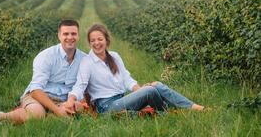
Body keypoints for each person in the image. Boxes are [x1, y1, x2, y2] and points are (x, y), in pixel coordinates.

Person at [63, 24, 204, 114]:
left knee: (156, 85)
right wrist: (71, 99)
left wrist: (139, 89)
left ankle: (192, 107)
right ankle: (168, 111)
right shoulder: (87, 62)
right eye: (92, 40)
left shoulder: (115, 56)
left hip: (122, 100)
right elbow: (79, 86)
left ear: (106, 40)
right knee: (150, 91)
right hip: (107, 107)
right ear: (89, 43)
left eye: (99, 39)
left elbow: (126, 79)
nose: (96, 43)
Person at [0, 19, 86, 126]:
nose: (70, 37)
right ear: (59, 35)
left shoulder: (84, 59)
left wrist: (72, 103)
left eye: (73, 34)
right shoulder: (46, 56)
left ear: (78, 36)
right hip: (40, 95)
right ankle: (0, 117)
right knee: (36, 114)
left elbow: (81, 86)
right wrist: (57, 110)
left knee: (73, 111)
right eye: (66, 34)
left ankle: (45, 116)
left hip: (64, 99)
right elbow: (35, 90)